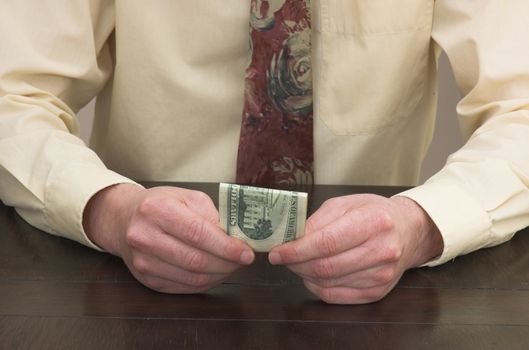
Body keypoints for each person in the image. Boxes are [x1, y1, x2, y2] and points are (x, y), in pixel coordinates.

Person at [1, 1, 528, 305]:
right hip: (130, 285)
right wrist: (107, 211)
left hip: (376, 301)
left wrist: (419, 225)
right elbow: (12, 98)